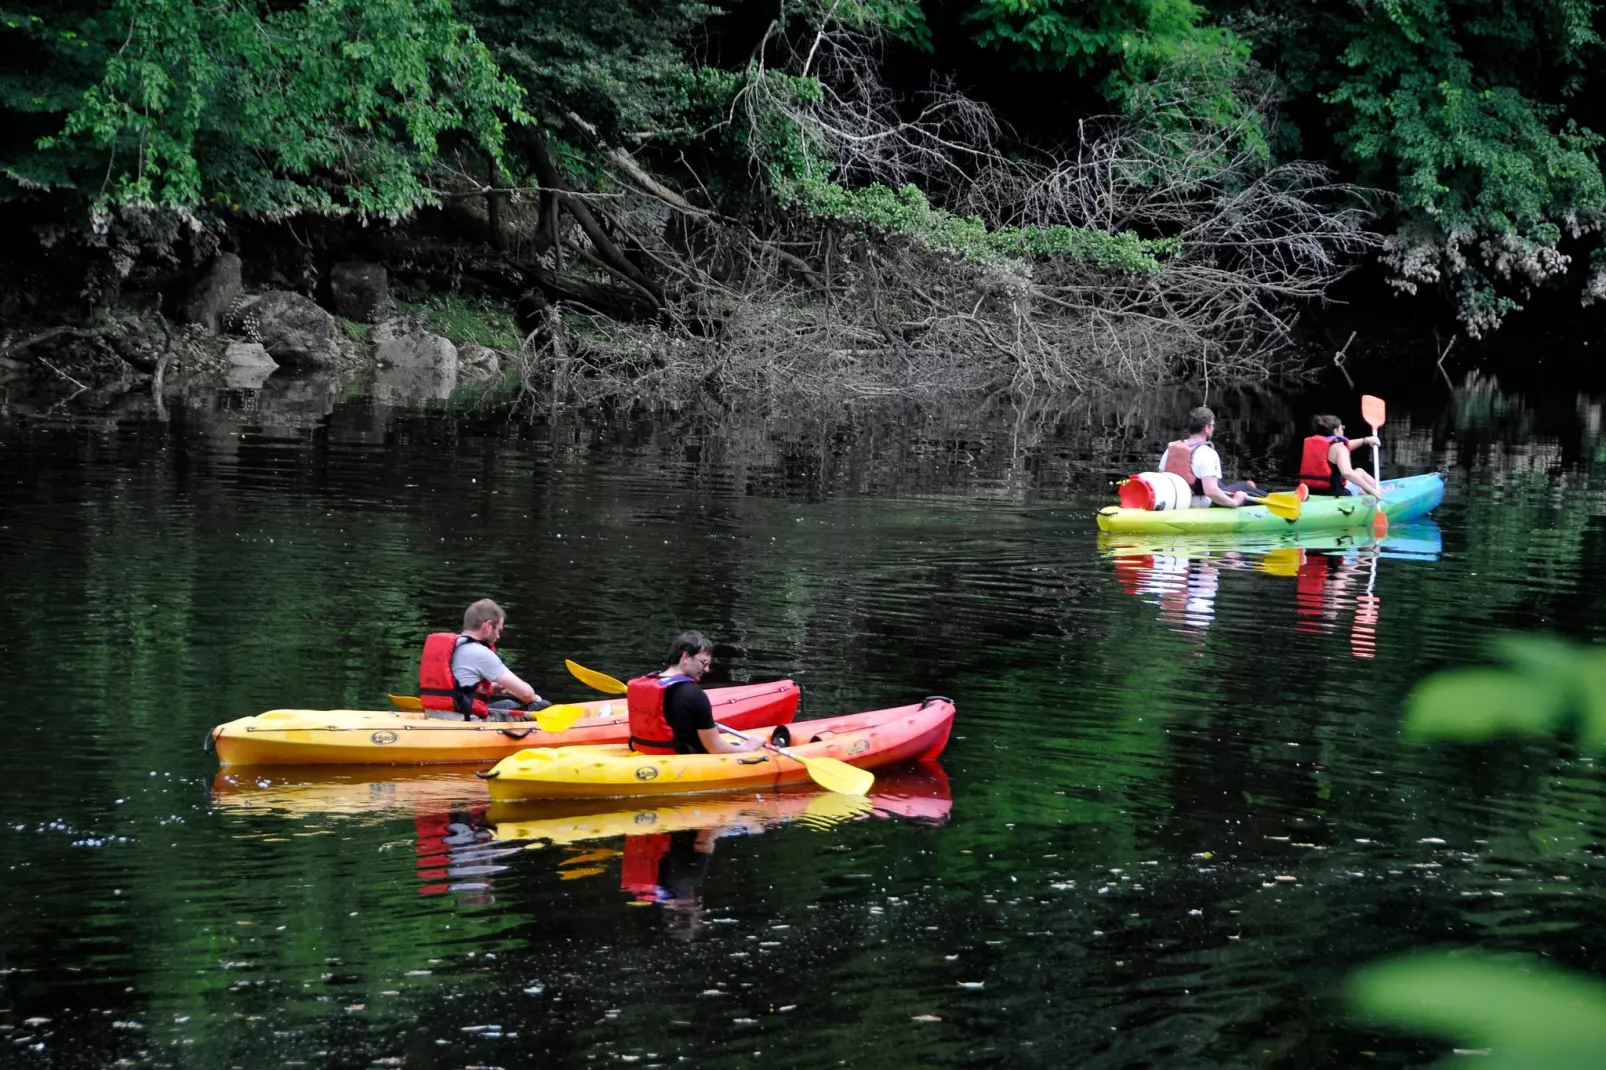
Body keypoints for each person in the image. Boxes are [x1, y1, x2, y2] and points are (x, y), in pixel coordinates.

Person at [626, 631, 778, 754]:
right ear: (686, 657)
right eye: (704, 662)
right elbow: (716, 748)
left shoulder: (648, 682)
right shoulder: (693, 695)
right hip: (682, 761)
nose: (706, 669)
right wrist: (748, 747)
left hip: (646, 752)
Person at [417, 599, 546, 722]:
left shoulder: (451, 647)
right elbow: (526, 693)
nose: (498, 636)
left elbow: (458, 687)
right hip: (463, 721)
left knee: (508, 704)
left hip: (434, 715)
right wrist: (535, 699)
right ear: (488, 625)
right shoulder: (481, 653)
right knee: (542, 706)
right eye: (498, 630)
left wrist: (493, 688)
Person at [1159, 406, 1268, 508]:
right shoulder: (1207, 453)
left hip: (1176, 500)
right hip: (1199, 503)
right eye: (1212, 425)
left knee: (1217, 483)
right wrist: (1236, 501)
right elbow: (1211, 492)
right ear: (1207, 428)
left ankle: (1252, 488)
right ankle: (1264, 497)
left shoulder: (1171, 449)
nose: (1213, 429)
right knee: (1244, 487)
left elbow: (1163, 478)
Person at [1298, 414, 1384, 498]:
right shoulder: (1340, 448)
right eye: (1341, 427)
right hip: (1334, 493)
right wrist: (1372, 491)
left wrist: (1366, 440)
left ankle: (1380, 490)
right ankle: (1382, 493)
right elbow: (1347, 473)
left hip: (1312, 490)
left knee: (1359, 471)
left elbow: (1346, 445)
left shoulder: (1315, 445)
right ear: (1336, 431)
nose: (1343, 428)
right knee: (1360, 485)